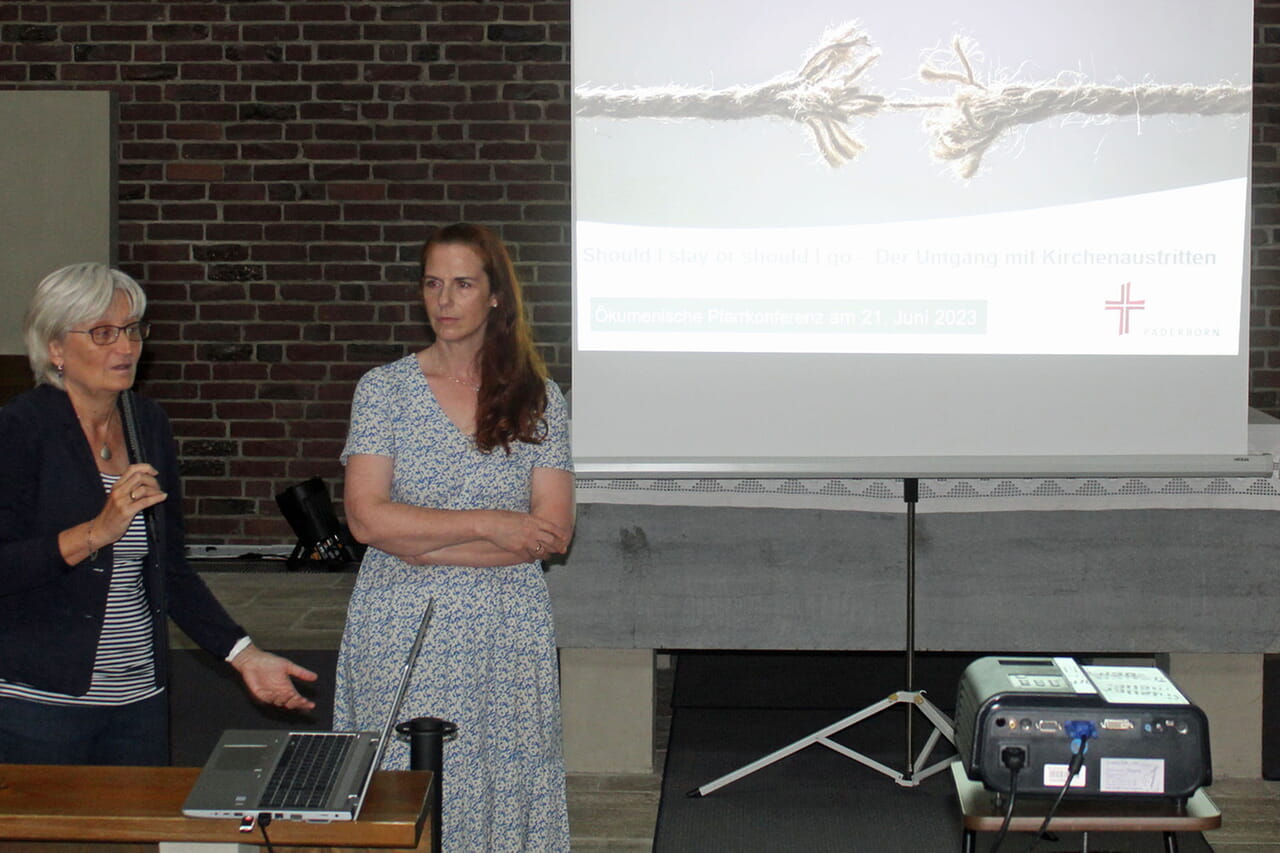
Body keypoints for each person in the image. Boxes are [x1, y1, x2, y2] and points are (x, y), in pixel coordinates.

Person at [0, 262, 318, 766]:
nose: (125, 348)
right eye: (103, 333)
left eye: (132, 330)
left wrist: (244, 655)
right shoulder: (19, 429)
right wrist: (97, 532)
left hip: (138, 703)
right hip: (38, 706)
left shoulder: (148, 423)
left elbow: (169, 568)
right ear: (55, 348)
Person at [336, 223, 575, 852]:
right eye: (432, 283)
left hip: (507, 632)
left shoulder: (537, 397)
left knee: (502, 785)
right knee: (404, 793)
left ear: (496, 295)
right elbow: (365, 520)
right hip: (401, 624)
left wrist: (416, 536)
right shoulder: (383, 389)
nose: (444, 300)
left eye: (462, 284)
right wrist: (490, 524)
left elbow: (551, 532)